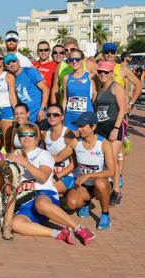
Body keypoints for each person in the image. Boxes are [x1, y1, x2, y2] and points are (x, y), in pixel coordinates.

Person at [2, 123, 96, 244]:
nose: (26, 137)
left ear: (37, 138)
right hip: (24, 199)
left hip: (44, 193)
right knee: (16, 224)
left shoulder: (44, 154)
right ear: (18, 138)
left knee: (41, 203)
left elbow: (43, 177)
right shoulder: (12, 156)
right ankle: (60, 233)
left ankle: (80, 229)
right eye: (22, 135)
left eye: (30, 134)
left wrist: (25, 163)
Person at [53, 112, 114, 231]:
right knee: (71, 203)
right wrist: (33, 154)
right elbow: (59, 157)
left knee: (99, 183)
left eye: (83, 126)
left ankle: (105, 215)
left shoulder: (104, 143)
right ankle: (86, 202)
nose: (79, 129)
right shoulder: (76, 142)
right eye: (78, 126)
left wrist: (88, 175)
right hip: (84, 185)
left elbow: (111, 171)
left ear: (93, 126)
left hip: (101, 184)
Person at [94, 61, 128, 206]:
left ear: (111, 74)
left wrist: (116, 128)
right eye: (100, 72)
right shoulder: (101, 88)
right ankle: (104, 186)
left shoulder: (116, 87)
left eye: (105, 72)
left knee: (112, 158)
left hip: (115, 126)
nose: (102, 74)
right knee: (104, 158)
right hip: (101, 127)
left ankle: (116, 190)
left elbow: (122, 109)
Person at [41, 104, 76, 195]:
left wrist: (56, 177)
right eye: (49, 115)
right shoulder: (45, 134)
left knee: (45, 191)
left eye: (55, 115)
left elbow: (74, 164)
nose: (52, 117)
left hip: (67, 175)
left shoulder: (68, 134)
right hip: (51, 173)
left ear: (62, 116)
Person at [5, 53, 48, 122]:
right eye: (8, 63)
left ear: (18, 61)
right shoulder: (10, 78)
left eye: (13, 61)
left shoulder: (29, 72)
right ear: (6, 67)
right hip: (26, 119)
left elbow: (45, 89)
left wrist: (42, 109)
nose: (12, 65)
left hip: (39, 115)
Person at [101, 42, 142, 111]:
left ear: (116, 54)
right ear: (103, 54)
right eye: (107, 52)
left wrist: (130, 104)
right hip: (102, 110)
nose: (109, 54)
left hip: (119, 110)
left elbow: (139, 85)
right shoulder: (98, 69)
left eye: (112, 52)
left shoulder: (122, 69)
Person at [62, 49, 96, 130]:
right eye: (71, 59)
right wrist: (64, 114)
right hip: (70, 117)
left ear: (83, 60)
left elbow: (95, 95)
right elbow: (65, 99)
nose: (74, 61)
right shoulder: (66, 78)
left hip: (86, 117)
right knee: (69, 141)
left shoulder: (90, 76)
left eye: (77, 59)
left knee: (85, 142)